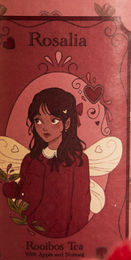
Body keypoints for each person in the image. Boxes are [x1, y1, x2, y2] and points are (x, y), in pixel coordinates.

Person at [16, 88, 91, 238]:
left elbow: (80, 209)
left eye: (53, 120)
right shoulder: (30, 160)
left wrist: (70, 239)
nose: (44, 127)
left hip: (66, 236)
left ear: (67, 123)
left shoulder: (78, 161)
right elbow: (23, 199)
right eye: (38, 120)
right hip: (31, 235)